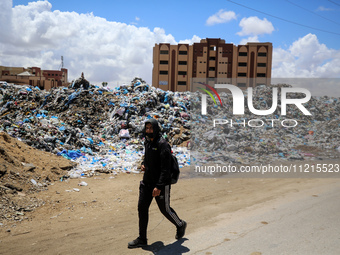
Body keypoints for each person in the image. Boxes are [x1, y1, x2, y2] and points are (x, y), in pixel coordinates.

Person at [128, 118, 187, 249]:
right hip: (147, 182)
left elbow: (165, 169)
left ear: (156, 129)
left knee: (165, 209)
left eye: (151, 128)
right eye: (147, 128)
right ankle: (142, 238)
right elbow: (146, 158)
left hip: (161, 184)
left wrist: (159, 186)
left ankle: (180, 224)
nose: (149, 131)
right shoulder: (147, 142)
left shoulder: (163, 144)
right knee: (142, 208)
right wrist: (143, 164)